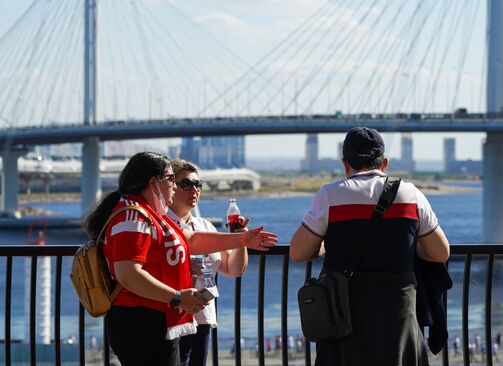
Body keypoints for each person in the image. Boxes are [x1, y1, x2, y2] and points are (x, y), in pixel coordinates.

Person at [82, 152, 277, 366]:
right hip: (140, 322)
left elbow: (192, 240)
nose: (174, 186)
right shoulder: (132, 217)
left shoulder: (152, 216)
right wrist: (177, 297)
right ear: (153, 183)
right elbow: (128, 274)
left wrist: (242, 239)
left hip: (159, 320)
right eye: (171, 179)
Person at [289, 127, 450, 366]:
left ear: (345, 164)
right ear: (384, 163)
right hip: (398, 307)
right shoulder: (410, 194)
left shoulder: (330, 196)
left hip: (345, 311)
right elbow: (440, 252)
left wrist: (325, 246)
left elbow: (299, 252)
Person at [167, 159, 249, 366]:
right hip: (173, 317)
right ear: (170, 186)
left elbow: (234, 268)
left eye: (198, 184)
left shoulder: (204, 225)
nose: (194, 189)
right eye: (186, 184)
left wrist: (241, 240)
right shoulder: (162, 225)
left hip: (202, 316)